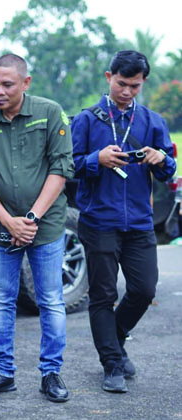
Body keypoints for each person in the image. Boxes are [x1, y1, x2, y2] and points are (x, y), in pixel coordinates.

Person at [71, 50, 176, 393]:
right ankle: (112, 363)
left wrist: (161, 159)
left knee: (144, 289)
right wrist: (95, 159)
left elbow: (167, 172)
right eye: (121, 83)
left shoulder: (152, 121)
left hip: (140, 223)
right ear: (108, 77)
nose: (127, 92)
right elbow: (68, 167)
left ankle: (113, 340)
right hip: (99, 220)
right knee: (102, 295)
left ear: (143, 82)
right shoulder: (86, 120)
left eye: (135, 85)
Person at [0, 53, 73, 403]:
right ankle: (2, 372)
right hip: (2, 227)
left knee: (51, 300)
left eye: (6, 84)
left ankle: (51, 373)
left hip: (44, 228)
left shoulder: (49, 113)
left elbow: (61, 170)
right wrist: (8, 220)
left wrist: (31, 219)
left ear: (25, 83)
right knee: (1, 300)